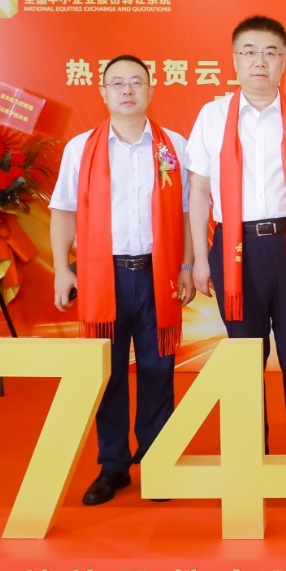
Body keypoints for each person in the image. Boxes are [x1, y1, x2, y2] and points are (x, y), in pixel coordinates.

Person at [186, 15, 286, 504]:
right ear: (234, 60)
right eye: (249, 52)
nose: (260, 61)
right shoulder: (213, 116)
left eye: (271, 52)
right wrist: (200, 259)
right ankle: (251, 459)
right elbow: (199, 192)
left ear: (284, 61)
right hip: (235, 252)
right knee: (244, 361)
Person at [50, 55, 196, 506]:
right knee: (108, 373)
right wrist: (62, 268)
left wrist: (187, 266)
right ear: (103, 92)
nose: (127, 90)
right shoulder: (81, 148)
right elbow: (63, 211)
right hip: (102, 276)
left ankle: (156, 460)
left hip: (158, 274)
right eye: (117, 83)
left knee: (158, 370)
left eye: (136, 82)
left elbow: (189, 212)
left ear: (151, 89)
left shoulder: (174, 146)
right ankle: (112, 465)